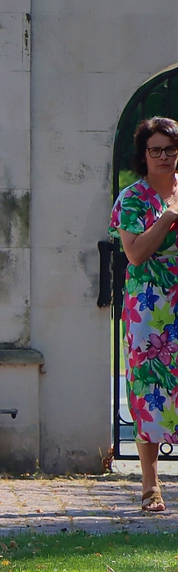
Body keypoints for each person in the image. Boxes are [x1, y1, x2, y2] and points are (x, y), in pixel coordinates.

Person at [110, 116, 178, 513]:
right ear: (143, 154)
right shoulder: (133, 199)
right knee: (149, 389)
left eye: (171, 149)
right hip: (149, 305)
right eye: (156, 150)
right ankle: (150, 486)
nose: (165, 157)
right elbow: (135, 253)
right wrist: (169, 216)